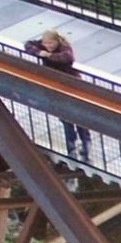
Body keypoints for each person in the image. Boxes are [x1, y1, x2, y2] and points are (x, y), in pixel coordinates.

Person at [30, 28, 88, 156]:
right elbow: (28, 45)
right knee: (65, 117)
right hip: (55, 86)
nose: (48, 46)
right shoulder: (43, 45)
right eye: (45, 43)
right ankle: (71, 145)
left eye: (50, 43)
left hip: (71, 84)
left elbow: (67, 58)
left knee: (78, 116)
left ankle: (85, 144)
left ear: (57, 41)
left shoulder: (64, 48)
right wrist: (39, 51)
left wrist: (49, 55)